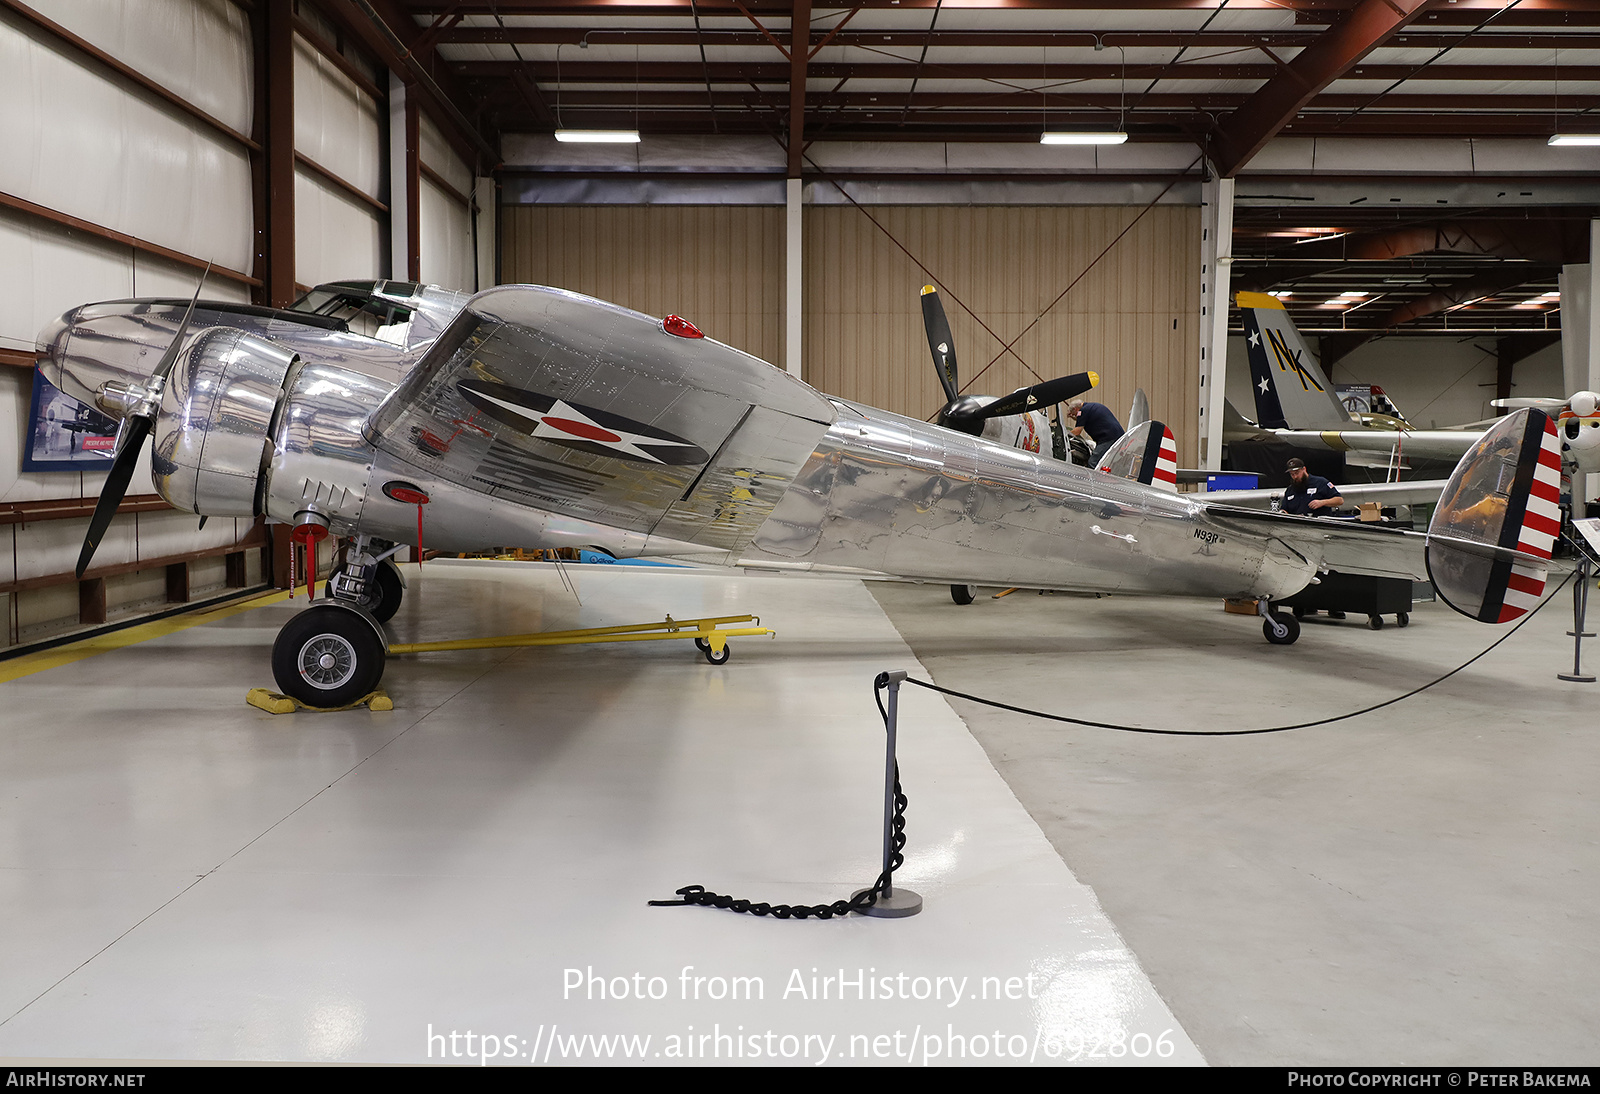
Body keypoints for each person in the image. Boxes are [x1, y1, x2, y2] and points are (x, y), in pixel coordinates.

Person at [1065, 399, 1124, 467]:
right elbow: (1082, 419)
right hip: (1117, 436)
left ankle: (1092, 477)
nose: (1075, 416)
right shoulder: (1091, 407)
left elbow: (1077, 431)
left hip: (1108, 438)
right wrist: (1074, 416)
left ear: (1075, 409)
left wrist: (1065, 434)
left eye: (1073, 414)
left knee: (1093, 462)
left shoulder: (1082, 411)